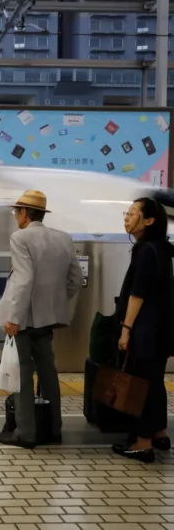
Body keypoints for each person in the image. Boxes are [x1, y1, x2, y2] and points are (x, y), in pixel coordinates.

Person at [0, 190, 83, 449]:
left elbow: (24, 278)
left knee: (22, 372)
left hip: (24, 318)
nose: (15, 216)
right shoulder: (63, 238)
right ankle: (54, 428)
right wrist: (54, 302)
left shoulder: (20, 238)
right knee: (48, 371)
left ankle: (25, 432)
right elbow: (76, 279)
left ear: (23, 213)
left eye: (16, 212)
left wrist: (13, 316)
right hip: (48, 318)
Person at [111, 197, 173, 463]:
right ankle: (160, 433)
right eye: (127, 212)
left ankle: (142, 443)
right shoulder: (161, 248)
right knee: (155, 381)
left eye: (133, 213)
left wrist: (125, 330)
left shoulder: (146, 250)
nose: (127, 217)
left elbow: (138, 294)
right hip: (161, 328)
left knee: (141, 385)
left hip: (145, 329)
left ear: (149, 221)